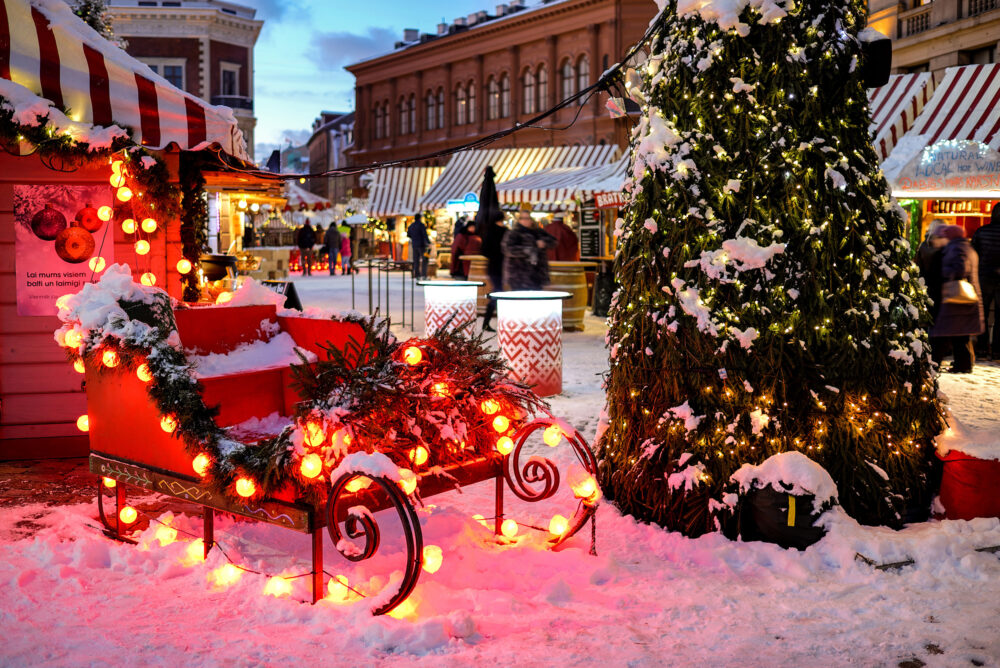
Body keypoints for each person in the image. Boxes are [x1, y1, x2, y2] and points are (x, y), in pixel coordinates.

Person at [929, 225, 985, 373]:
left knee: (941, 334)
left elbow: (960, 268)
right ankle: (962, 365)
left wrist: (943, 273)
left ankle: (934, 364)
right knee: (960, 335)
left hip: (954, 297)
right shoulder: (966, 247)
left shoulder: (957, 247)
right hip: (963, 300)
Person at [917, 220, 949, 364]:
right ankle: (936, 352)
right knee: (939, 321)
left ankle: (925, 348)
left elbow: (918, 265)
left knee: (928, 318)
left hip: (926, 285)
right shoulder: (944, 247)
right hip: (940, 287)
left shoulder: (924, 246)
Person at [502, 207, 556, 291]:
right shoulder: (514, 233)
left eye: (527, 218)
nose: (525, 221)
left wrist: (544, 243)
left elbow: (554, 241)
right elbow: (508, 249)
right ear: (519, 220)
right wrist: (528, 249)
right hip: (519, 276)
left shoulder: (538, 231)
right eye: (523, 218)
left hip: (537, 274)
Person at [971, 203, 1000, 360]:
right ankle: (997, 350)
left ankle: (981, 349)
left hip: (984, 276)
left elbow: (973, 253)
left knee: (983, 312)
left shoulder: (981, 232)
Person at [481, 216, 508, 332]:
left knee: (498, 293)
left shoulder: (488, 232)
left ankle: (488, 322)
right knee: (498, 294)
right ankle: (490, 322)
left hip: (493, 267)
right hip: (502, 267)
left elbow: (484, 250)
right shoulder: (505, 232)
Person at [407, 215, 431, 279]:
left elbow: (408, 234)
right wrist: (428, 243)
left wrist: (414, 238)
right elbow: (424, 234)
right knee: (424, 260)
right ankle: (424, 275)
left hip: (414, 245)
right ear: (420, 218)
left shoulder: (411, 226)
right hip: (422, 245)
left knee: (416, 260)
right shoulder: (421, 225)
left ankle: (417, 275)